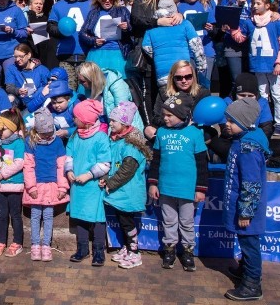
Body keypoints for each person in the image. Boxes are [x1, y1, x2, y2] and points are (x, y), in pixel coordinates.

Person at [147, 93, 208, 271]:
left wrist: (201, 189)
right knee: (169, 221)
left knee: (187, 222)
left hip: (187, 190)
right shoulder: (162, 133)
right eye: (164, 115)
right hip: (166, 188)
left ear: (182, 115)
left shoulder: (195, 134)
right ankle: (170, 250)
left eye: (169, 115)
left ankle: (188, 252)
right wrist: (153, 183)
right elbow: (156, 160)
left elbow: (202, 164)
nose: (164, 118)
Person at [222, 97, 270, 301]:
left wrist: (246, 212)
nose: (227, 124)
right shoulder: (242, 142)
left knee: (250, 245)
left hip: (247, 210)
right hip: (240, 205)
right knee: (245, 243)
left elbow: (251, 184)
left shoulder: (248, 149)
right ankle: (245, 270)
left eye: (231, 121)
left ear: (244, 123)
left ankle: (252, 284)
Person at [101, 101, 150, 270]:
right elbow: (113, 163)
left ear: (125, 123)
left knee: (127, 223)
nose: (111, 123)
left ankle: (134, 252)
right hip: (120, 193)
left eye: (114, 121)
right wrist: (106, 178)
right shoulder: (116, 140)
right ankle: (127, 248)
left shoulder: (131, 145)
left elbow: (126, 170)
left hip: (128, 192)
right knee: (123, 222)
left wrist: (110, 183)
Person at [231, 0, 280, 135]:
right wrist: (231, 28)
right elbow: (240, 38)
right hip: (258, 65)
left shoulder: (277, 21)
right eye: (253, 4)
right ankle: (264, 121)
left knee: (277, 95)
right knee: (262, 95)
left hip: (274, 65)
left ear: (267, 6)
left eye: (258, 3)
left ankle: (279, 123)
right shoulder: (249, 22)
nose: (254, 6)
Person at [65, 99, 111, 266]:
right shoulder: (75, 135)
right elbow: (69, 155)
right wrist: (69, 170)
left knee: (97, 219)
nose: (73, 120)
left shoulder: (100, 138)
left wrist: (89, 175)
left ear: (85, 120)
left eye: (75, 117)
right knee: (80, 217)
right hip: (77, 186)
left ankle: (99, 251)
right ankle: (82, 249)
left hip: (93, 186)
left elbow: (105, 163)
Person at [130, 0, 183, 113]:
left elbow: (175, 17)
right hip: (147, 55)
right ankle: (150, 124)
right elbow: (136, 21)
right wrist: (156, 21)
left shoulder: (166, 1)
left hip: (165, 53)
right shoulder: (140, 1)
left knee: (167, 89)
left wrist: (179, 15)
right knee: (148, 90)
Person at [22, 108, 69, 262]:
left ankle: (46, 245)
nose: (48, 136)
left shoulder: (57, 143)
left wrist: (63, 187)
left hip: (52, 185)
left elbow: (61, 165)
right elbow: (28, 166)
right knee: (35, 216)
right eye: (44, 133)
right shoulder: (30, 142)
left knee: (48, 216)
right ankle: (35, 244)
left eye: (50, 132)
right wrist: (31, 187)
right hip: (36, 185)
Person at [142, 0, 206, 87]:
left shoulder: (151, 29)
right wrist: (201, 67)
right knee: (186, 99)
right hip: (184, 72)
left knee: (168, 100)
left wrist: (158, 55)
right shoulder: (185, 24)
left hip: (162, 73)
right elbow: (197, 47)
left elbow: (146, 47)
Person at [0, 109, 26, 258]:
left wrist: (1, 175)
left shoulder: (19, 143)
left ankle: (17, 242)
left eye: (3, 129)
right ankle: (1, 241)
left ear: (13, 128)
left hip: (13, 186)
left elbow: (18, 163)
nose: (0, 131)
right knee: (1, 214)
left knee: (15, 215)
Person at [144, 60, 212, 140]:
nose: (184, 81)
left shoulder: (203, 93)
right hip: (170, 127)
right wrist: (175, 123)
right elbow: (156, 117)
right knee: (148, 129)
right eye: (179, 78)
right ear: (173, 78)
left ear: (193, 76)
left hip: (193, 129)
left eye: (188, 77)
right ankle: (166, 145)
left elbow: (206, 119)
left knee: (211, 133)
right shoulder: (164, 92)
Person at [48, 0, 92, 90]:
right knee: (68, 89)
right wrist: (61, 32)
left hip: (85, 53)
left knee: (85, 89)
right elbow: (51, 27)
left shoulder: (91, 5)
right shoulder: (58, 6)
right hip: (65, 54)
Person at [79, 0, 132, 77]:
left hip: (118, 54)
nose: (107, 1)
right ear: (98, 0)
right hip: (97, 54)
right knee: (96, 84)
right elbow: (82, 33)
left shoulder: (122, 10)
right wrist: (94, 41)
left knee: (118, 85)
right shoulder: (93, 13)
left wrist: (126, 28)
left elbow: (133, 30)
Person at [220, 0, 258, 87]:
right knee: (237, 80)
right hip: (232, 43)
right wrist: (238, 3)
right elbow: (223, 17)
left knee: (252, 80)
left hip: (253, 42)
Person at [177, 0, 217, 89]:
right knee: (188, 85)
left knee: (204, 85)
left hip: (206, 49)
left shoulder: (207, 4)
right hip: (187, 51)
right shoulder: (178, 5)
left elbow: (214, 27)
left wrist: (211, 28)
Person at [5, 43, 51, 110]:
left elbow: (49, 85)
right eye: (15, 57)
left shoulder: (41, 69)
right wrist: (18, 90)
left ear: (29, 55)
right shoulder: (12, 69)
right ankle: (12, 119)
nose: (17, 59)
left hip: (38, 100)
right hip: (20, 100)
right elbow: (9, 87)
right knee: (10, 98)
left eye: (21, 56)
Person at [27, 0, 55, 68]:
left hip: (44, 51)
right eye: (36, 3)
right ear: (30, 5)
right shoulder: (26, 17)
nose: (38, 6)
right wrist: (31, 13)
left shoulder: (46, 18)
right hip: (32, 49)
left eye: (41, 4)